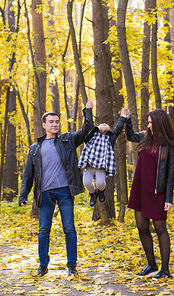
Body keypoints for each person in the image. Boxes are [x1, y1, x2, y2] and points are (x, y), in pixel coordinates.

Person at [18, 100, 94, 277]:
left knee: (69, 228)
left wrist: (88, 110)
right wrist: (23, 195)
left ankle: (72, 267)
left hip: (65, 191)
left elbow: (86, 131)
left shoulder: (67, 140)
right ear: (44, 125)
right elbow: (28, 174)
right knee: (44, 230)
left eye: (57, 121)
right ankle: (43, 266)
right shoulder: (35, 148)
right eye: (51, 121)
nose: (54, 124)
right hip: (44, 194)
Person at [122, 108, 174, 280]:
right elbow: (130, 135)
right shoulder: (145, 137)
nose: (148, 126)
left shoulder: (171, 145)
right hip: (140, 188)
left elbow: (170, 174)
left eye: (150, 123)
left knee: (160, 228)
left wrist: (168, 198)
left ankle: (165, 270)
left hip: (157, 192)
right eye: (147, 123)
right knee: (141, 226)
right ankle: (151, 264)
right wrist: (126, 119)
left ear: (159, 123)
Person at [78, 112, 127, 207]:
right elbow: (89, 123)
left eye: (106, 124)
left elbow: (119, 127)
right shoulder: (93, 134)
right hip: (89, 164)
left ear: (109, 129)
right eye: (102, 124)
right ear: (98, 127)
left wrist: (123, 116)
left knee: (100, 183)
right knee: (86, 182)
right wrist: (89, 109)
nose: (104, 124)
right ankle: (92, 194)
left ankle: (101, 192)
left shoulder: (111, 137)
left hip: (101, 166)